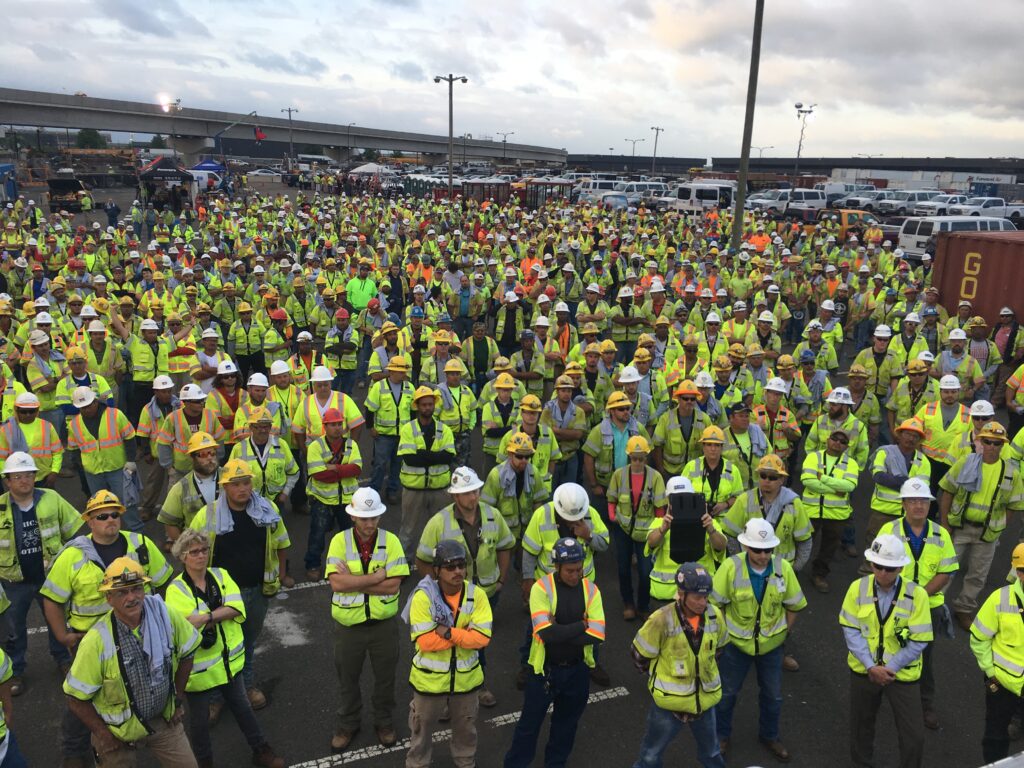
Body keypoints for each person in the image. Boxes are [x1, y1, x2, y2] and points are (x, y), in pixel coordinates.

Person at [62, 557, 201, 768]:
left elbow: (188, 654)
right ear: (109, 598)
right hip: (117, 732)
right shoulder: (95, 642)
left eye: (136, 589)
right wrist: (103, 735)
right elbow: (75, 698)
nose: (132, 597)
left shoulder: (165, 615)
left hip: (162, 720)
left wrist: (177, 700)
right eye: (122, 592)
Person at [165, 529, 286, 768]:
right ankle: (204, 763)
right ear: (182, 557)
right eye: (194, 552)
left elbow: (236, 606)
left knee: (243, 709)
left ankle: (262, 750)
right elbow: (187, 624)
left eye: (204, 550)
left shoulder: (221, 575)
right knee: (199, 725)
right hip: (198, 673)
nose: (201, 555)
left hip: (230, 664)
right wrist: (219, 614)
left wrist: (206, 617)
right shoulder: (175, 590)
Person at [189, 459, 292, 710]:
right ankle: (215, 698)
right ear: (224, 487)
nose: (242, 489)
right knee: (217, 645)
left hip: (256, 591)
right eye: (235, 484)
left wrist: (280, 575)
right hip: (220, 597)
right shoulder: (208, 515)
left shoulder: (265, 509)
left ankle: (246, 686)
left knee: (247, 641)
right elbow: (189, 551)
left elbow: (281, 543)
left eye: (246, 482)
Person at [504, 537, 605, 768]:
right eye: (570, 570)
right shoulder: (541, 588)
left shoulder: (592, 590)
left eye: (579, 570)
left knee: (566, 726)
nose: (576, 575)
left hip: (577, 671)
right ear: (557, 567)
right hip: (544, 672)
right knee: (529, 725)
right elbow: (545, 634)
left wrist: (558, 628)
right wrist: (582, 625)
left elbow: (597, 635)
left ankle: (555, 764)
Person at [417, 466, 514, 708]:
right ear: (455, 496)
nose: (474, 496)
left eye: (476, 491)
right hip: (451, 598)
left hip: (486, 595)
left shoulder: (493, 515)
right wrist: (437, 591)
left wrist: (501, 579)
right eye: (468, 492)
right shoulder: (438, 523)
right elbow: (422, 560)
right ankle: (448, 694)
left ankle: (476, 685)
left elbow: (505, 546)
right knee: (448, 644)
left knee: (477, 642)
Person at [712, 518, 806, 762]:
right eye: (757, 550)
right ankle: (721, 736)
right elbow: (716, 604)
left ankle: (770, 735)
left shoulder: (783, 568)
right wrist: (723, 635)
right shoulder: (730, 568)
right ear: (745, 547)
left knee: (773, 695)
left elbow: (794, 604)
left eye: (767, 550)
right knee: (727, 694)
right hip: (735, 646)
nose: (763, 555)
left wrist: (784, 632)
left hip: (772, 647)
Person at [839, 533, 933, 768]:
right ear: (871, 564)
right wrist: (871, 666)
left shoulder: (917, 595)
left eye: (889, 568)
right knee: (861, 726)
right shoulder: (856, 588)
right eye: (877, 566)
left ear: (901, 567)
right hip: (865, 670)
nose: (882, 573)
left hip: (901, 674)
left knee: (914, 736)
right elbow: (850, 630)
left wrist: (888, 669)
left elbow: (919, 641)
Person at [326, 487, 408, 752]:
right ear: (353, 517)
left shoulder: (391, 541)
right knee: (347, 679)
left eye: (374, 518)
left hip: (383, 626)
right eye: (364, 518)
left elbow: (393, 586)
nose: (370, 523)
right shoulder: (339, 540)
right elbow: (336, 584)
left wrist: (354, 581)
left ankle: (384, 721)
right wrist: (374, 578)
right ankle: (347, 724)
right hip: (349, 627)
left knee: (385, 679)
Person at [878, 477, 958, 731]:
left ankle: (925, 705)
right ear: (903, 504)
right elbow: (878, 568)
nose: (918, 506)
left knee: (924, 655)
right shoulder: (888, 531)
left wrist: (920, 595)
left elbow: (946, 571)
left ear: (929, 505)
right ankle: (881, 697)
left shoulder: (940, 534)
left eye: (923, 500)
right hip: (892, 602)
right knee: (886, 646)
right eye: (912, 500)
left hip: (929, 606)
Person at [404, 539, 492, 768]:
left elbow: (482, 639)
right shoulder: (422, 597)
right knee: (420, 733)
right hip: (428, 683)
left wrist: (446, 632)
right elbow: (424, 641)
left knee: (466, 732)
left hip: (467, 682)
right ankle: (417, 765)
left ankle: (465, 763)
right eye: (450, 567)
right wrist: (464, 635)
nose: (458, 571)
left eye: (461, 565)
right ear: (437, 570)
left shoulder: (478, 596)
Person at [630, 562, 727, 768]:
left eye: (706, 596)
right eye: (698, 597)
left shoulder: (715, 615)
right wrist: (657, 675)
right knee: (650, 756)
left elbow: (719, 648)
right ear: (681, 594)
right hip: (669, 706)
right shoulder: (661, 619)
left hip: (704, 701)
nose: (703, 602)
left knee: (712, 753)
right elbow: (639, 655)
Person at [0, 452, 80, 695]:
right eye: (17, 476)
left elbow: (73, 531)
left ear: (35, 477)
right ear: (8, 481)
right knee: (13, 629)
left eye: (28, 475)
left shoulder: (52, 498)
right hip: (14, 581)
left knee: (57, 621)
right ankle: (15, 671)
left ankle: (63, 659)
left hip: (50, 577)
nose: (23, 480)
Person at [940, 421, 1024, 630]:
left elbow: (1014, 504)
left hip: (987, 533)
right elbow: (947, 492)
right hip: (959, 527)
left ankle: (964, 610)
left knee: (978, 575)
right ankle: (935, 607)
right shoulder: (965, 462)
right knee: (945, 570)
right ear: (980, 441)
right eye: (988, 441)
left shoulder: (1011, 473)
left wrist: (1000, 525)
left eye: (997, 443)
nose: (992, 446)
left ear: (1003, 445)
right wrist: (944, 524)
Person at [971, 542, 1024, 762]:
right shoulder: (1000, 599)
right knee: (995, 736)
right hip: (1002, 684)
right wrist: (990, 671)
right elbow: (978, 637)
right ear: (1018, 572)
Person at [606, 435, 666, 621]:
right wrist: (612, 516)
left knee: (645, 571)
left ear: (646, 458)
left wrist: (658, 527)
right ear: (629, 457)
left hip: (646, 532)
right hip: (623, 529)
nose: (638, 462)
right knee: (623, 568)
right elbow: (612, 498)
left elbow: (660, 508)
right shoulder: (619, 475)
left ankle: (643, 604)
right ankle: (628, 603)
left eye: (641, 458)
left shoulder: (655, 477)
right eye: (634, 458)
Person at [66, 385, 140, 531]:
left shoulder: (115, 415)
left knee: (127, 503)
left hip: (117, 468)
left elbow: (130, 437)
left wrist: (131, 460)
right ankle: (104, 533)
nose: (86, 410)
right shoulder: (74, 424)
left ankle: (136, 533)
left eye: (88, 406)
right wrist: (82, 466)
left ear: (95, 402)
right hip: (93, 473)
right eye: (82, 408)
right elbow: (74, 448)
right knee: (99, 507)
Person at [304, 407, 362, 580]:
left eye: (339, 424)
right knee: (317, 534)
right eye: (333, 425)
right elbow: (318, 474)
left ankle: (348, 564)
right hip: (322, 499)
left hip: (346, 499)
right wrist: (344, 470)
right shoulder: (315, 446)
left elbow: (357, 469)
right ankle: (313, 564)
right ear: (325, 426)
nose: (337, 427)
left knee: (349, 534)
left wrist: (334, 468)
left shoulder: (352, 444)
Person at [801, 428, 861, 593]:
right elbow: (807, 480)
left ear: (846, 447)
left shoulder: (851, 463)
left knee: (829, 548)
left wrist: (823, 478)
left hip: (836, 514)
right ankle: (791, 570)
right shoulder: (814, 457)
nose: (838, 443)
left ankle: (819, 575)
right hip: (811, 511)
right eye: (835, 438)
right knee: (801, 542)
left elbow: (849, 486)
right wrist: (836, 488)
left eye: (843, 442)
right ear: (828, 440)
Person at [397, 386, 456, 553]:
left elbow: (448, 457)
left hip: (439, 489)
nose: (427, 407)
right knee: (407, 529)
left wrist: (422, 454)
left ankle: (443, 560)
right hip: (413, 489)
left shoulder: (444, 429)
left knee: (442, 528)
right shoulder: (408, 429)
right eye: (424, 405)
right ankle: (402, 563)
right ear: (417, 406)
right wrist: (435, 456)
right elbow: (409, 459)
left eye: (430, 404)